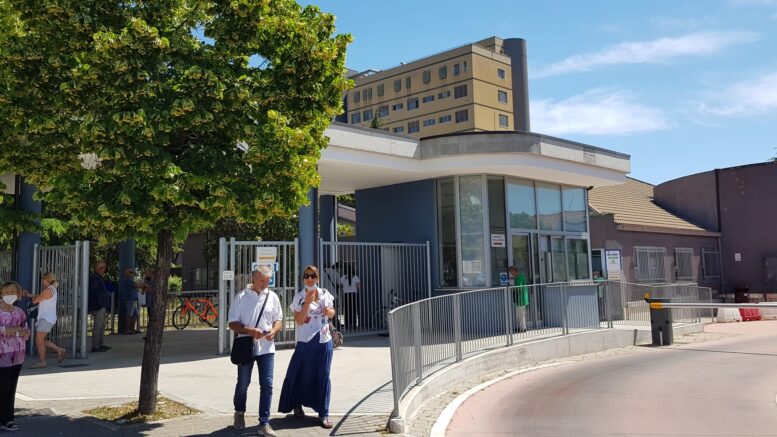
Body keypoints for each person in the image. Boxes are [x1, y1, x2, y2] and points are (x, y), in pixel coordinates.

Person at [279, 265, 336, 429]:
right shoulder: (299, 297)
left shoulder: (325, 293)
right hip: (305, 341)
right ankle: (296, 403)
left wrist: (329, 312)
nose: (310, 279)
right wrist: (308, 303)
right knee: (299, 374)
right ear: (303, 278)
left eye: (313, 276)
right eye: (306, 276)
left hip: (324, 340)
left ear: (317, 277)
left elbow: (332, 312)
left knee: (323, 375)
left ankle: (324, 413)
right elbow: (298, 320)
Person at [228, 265, 283, 437]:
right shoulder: (241, 297)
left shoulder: (272, 297)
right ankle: (239, 412)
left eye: (267, 281)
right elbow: (232, 323)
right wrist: (251, 331)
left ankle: (264, 423)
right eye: (261, 281)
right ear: (253, 278)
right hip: (246, 347)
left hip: (267, 348)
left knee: (267, 385)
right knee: (243, 384)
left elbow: (279, 319)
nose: (264, 285)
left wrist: (274, 331)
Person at [0, 282, 30, 432]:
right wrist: (13, 330)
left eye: (13, 292)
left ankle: (8, 419)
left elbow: (26, 331)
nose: (10, 294)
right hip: (2, 355)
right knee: (2, 388)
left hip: (18, 355)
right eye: (7, 291)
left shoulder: (19, 312)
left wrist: (13, 331)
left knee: (11, 389)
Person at [26, 272, 67, 368]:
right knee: (41, 340)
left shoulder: (48, 290)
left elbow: (36, 300)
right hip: (48, 318)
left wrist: (30, 300)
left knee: (39, 340)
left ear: (47, 279)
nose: (42, 281)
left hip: (46, 318)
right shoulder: (52, 289)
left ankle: (42, 362)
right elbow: (41, 296)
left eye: (43, 279)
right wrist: (29, 295)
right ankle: (59, 350)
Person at [88, 261, 111, 352]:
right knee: (98, 325)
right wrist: (102, 302)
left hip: (100, 305)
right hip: (98, 305)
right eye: (104, 268)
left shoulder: (98, 278)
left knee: (101, 325)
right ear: (100, 269)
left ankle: (100, 344)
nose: (105, 270)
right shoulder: (95, 278)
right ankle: (96, 346)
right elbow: (96, 292)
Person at [118, 267, 141, 335]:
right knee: (129, 314)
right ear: (125, 273)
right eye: (130, 272)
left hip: (132, 299)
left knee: (135, 314)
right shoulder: (127, 279)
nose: (131, 274)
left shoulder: (128, 279)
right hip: (129, 299)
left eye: (132, 272)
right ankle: (127, 329)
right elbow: (137, 285)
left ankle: (132, 329)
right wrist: (143, 285)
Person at [338, 265, 360, 330]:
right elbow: (358, 286)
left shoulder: (343, 277)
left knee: (346, 309)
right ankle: (354, 324)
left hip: (346, 294)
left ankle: (347, 325)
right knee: (354, 309)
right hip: (354, 294)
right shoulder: (355, 277)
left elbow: (340, 285)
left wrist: (345, 288)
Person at [508, 266, 529, 332]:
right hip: (519, 298)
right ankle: (521, 327)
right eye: (510, 272)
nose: (511, 274)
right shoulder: (519, 276)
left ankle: (523, 328)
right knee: (519, 314)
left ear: (515, 271)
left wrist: (512, 288)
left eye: (511, 272)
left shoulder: (519, 277)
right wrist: (514, 278)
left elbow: (519, 287)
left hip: (521, 298)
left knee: (521, 314)